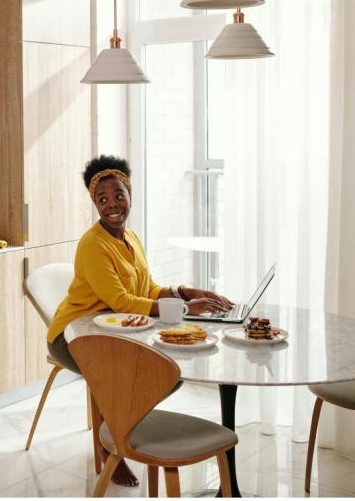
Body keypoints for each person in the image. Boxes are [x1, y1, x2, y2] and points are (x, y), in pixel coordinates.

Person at [46, 154, 233, 487]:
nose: (112, 205)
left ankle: (119, 431)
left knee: (167, 373)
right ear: (95, 204)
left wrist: (186, 291)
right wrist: (187, 309)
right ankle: (114, 447)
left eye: (118, 195)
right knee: (122, 375)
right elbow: (122, 301)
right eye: (102, 200)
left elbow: (147, 289)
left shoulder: (131, 238)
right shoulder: (93, 245)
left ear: (130, 195)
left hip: (115, 329)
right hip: (74, 335)